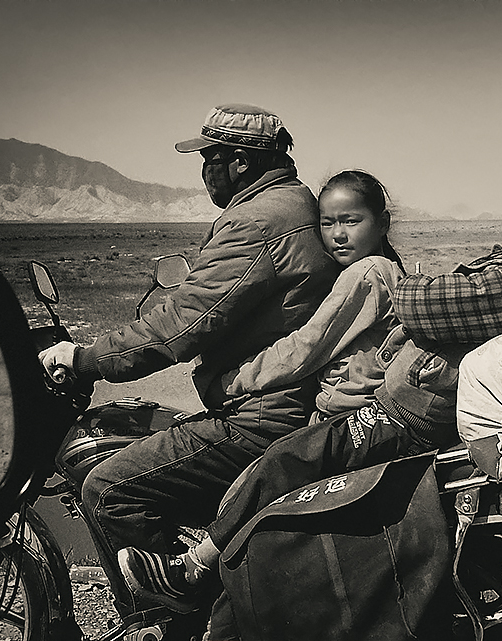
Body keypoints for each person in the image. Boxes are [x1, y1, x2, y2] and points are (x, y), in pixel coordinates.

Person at [113, 219, 502, 622]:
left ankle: (194, 569)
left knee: (285, 462)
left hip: (408, 416)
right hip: (431, 413)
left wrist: (408, 287)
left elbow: (417, 303)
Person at [37, 103, 340, 639]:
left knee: (108, 488)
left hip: (263, 416)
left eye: (210, 159)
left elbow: (180, 327)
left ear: (240, 161)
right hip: (289, 404)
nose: (204, 172)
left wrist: (84, 359)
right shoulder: (296, 203)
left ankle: (171, 623)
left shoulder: (256, 221)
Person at [116, 169, 407, 613]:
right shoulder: (382, 269)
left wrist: (235, 380)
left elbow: (306, 347)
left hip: (346, 421)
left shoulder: (367, 273)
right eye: (327, 223)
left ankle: (193, 569)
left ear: (382, 223)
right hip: (347, 416)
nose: (338, 234)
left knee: (270, 472)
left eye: (351, 221)